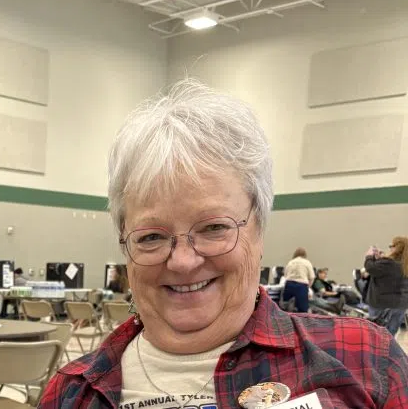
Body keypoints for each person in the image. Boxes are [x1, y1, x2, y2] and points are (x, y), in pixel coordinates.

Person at [37, 80, 408, 409]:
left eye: (214, 227)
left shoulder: (365, 360)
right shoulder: (72, 393)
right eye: (151, 236)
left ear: (259, 229)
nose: (182, 261)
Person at [364, 238, 408, 336]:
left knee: (376, 334)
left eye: (391, 246)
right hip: (401, 304)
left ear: (397, 248)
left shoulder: (388, 263)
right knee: (390, 335)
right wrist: (380, 259)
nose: (389, 248)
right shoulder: (404, 264)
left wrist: (369, 256)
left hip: (382, 304)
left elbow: (371, 268)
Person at [281, 248, 315, 313]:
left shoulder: (290, 262)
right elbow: (312, 277)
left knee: (286, 308)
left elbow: (285, 275)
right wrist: (308, 287)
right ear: (305, 254)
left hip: (289, 285)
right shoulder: (307, 262)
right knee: (302, 310)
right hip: (301, 286)